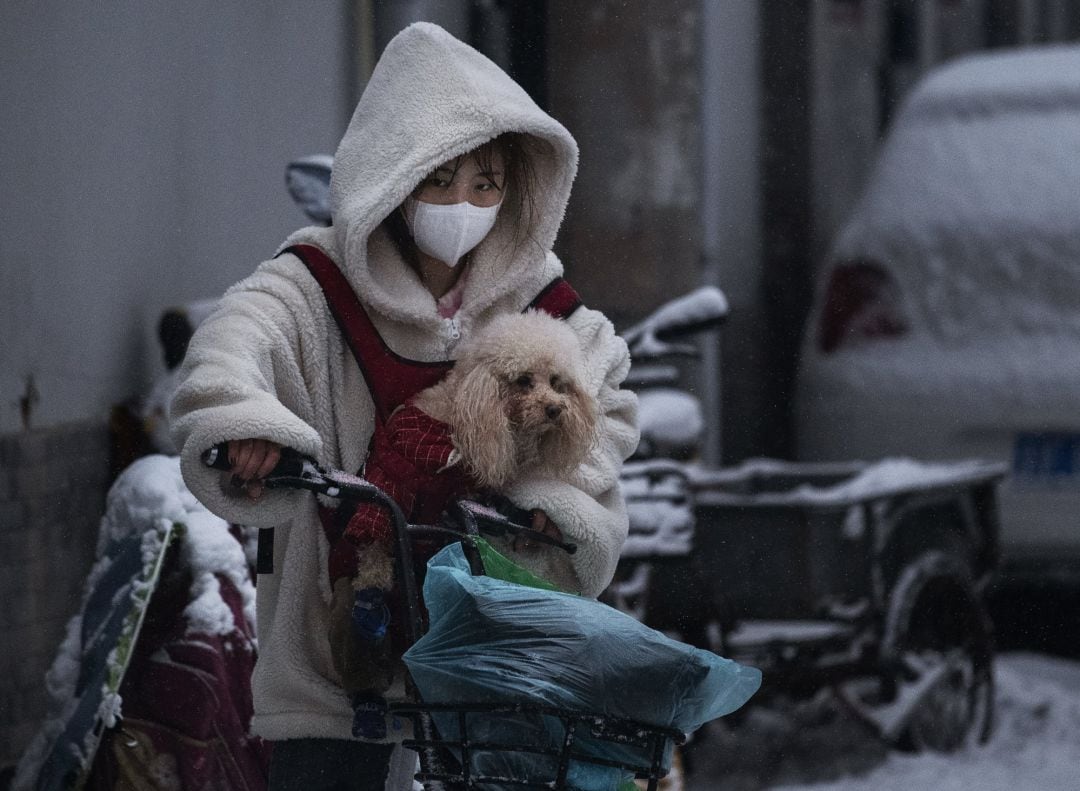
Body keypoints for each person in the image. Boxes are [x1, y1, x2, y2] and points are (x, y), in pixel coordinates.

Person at [170, 22, 638, 791]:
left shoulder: (537, 299)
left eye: (486, 185)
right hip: (334, 655)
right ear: (393, 178)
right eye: (441, 181)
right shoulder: (315, 283)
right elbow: (233, 340)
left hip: (489, 649)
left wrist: (550, 496)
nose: (465, 204)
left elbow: (607, 394)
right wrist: (250, 426)